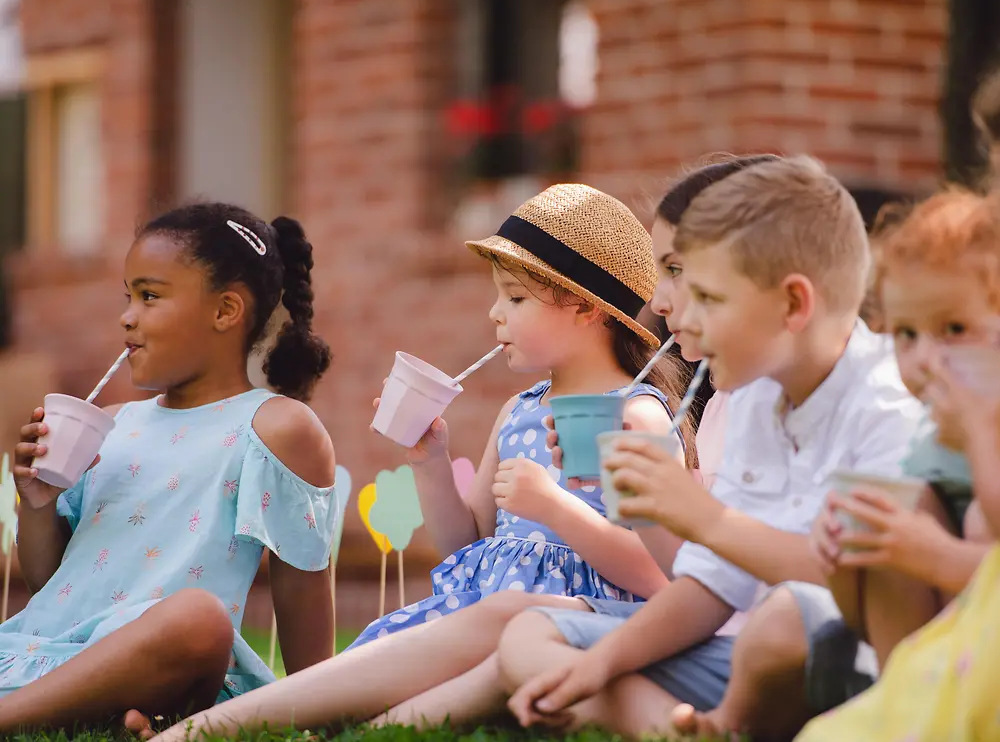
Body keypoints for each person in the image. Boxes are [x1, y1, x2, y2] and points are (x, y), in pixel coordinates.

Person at [151, 183, 693, 741]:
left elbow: (660, 575)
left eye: (515, 298)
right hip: (477, 619)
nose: (494, 313)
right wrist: (431, 460)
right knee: (385, 671)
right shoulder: (517, 412)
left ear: (583, 306)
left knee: (410, 686)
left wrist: (555, 508)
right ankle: (228, 726)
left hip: (581, 620)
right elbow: (470, 543)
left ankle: (214, 731)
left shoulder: (640, 418)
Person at [498, 156, 923, 739]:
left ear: (794, 305)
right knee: (527, 638)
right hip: (749, 653)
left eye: (708, 299)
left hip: (860, 665)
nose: (681, 320)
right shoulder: (755, 397)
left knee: (781, 622)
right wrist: (601, 662)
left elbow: (866, 585)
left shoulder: (887, 406)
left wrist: (704, 517)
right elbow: (712, 587)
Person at [4, 204, 337, 734]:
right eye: (128, 296)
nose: (127, 316)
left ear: (226, 311)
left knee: (199, 621)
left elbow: (302, 586)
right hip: (50, 652)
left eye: (150, 296)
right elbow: (53, 583)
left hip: (172, 654)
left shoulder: (275, 427)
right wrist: (38, 502)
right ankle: (114, 716)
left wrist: (319, 708)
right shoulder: (111, 425)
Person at [791, 188, 1000, 742]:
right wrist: (843, 560)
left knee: (974, 520)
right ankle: (905, 709)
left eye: (954, 329)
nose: (926, 360)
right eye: (906, 334)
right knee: (888, 519)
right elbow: (866, 615)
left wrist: (935, 555)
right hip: (928, 667)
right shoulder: (928, 446)